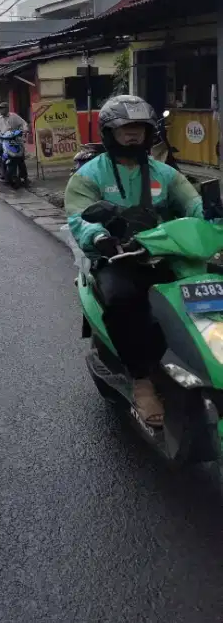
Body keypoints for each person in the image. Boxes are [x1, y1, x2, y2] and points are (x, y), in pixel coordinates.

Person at [65, 94, 203, 428]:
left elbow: (194, 204)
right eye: (125, 128)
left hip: (164, 252)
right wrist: (99, 238)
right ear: (110, 132)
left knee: (205, 291)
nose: (133, 134)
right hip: (117, 256)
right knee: (125, 299)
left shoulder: (165, 173)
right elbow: (80, 216)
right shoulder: (90, 175)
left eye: (139, 128)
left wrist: (211, 221)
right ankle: (142, 380)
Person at [0, 101, 29, 184]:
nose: (0, 110)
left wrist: (24, 130)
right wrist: (0, 134)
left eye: (2, 108)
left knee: (20, 158)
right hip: (2, 141)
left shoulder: (14, 116)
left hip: (15, 140)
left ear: (7, 109)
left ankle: (25, 177)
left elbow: (24, 123)